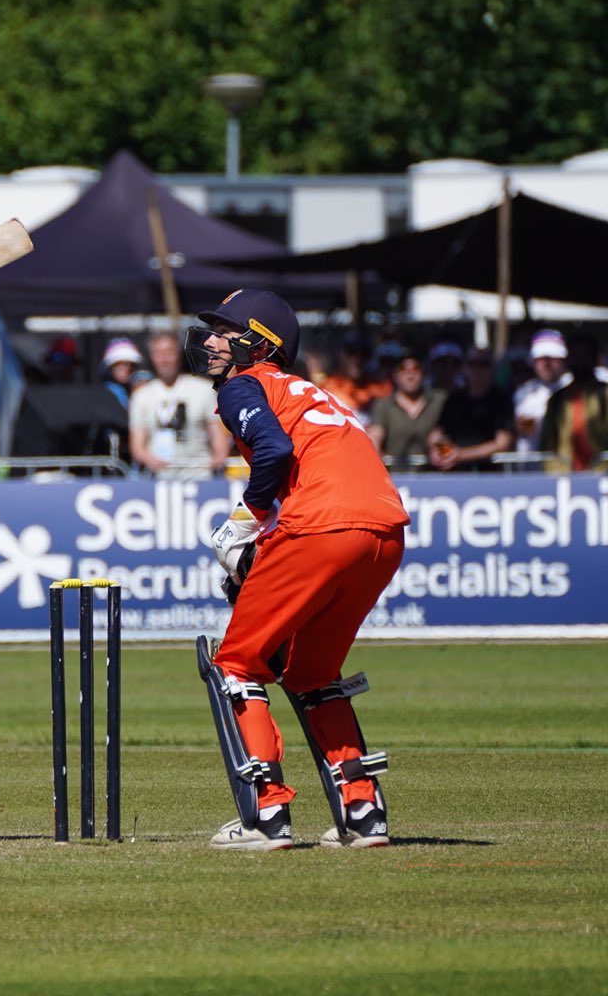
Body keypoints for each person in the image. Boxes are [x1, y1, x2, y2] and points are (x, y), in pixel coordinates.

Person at [183, 288, 405, 851]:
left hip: (323, 525)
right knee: (311, 673)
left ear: (261, 345)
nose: (210, 343)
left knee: (236, 664)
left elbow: (275, 451)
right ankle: (363, 813)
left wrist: (246, 518)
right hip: (385, 532)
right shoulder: (315, 392)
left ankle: (266, 816)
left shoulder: (246, 384)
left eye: (224, 332)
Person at [128, 331, 231, 478]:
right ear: (151, 357)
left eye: (169, 352)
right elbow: (137, 446)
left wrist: (218, 459)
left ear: (179, 354)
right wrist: (150, 460)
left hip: (199, 475)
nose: (164, 359)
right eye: (158, 353)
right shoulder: (141, 395)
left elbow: (218, 434)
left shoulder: (203, 389)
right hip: (158, 478)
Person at [426, 346, 514, 471]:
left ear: (493, 369)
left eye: (483, 364)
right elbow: (437, 433)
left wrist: (462, 455)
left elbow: (503, 443)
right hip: (454, 472)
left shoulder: (502, 400)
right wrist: (439, 449)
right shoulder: (454, 399)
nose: (477, 369)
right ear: (464, 368)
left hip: (488, 473)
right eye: (472, 364)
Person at [538, 331, 608, 473]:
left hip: (602, 475)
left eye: (585, 355)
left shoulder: (604, 394)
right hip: (565, 475)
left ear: (595, 358)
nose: (580, 361)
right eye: (575, 355)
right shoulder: (557, 399)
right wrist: (554, 471)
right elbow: (548, 444)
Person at [366, 352, 445, 471]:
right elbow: (376, 435)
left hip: (432, 473)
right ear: (395, 375)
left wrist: (441, 450)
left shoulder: (439, 401)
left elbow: (443, 436)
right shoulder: (383, 405)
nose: (410, 376)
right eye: (403, 370)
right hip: (395, 473)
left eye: (415, 369)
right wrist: (376, 457)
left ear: (424, 373)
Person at [514, 329, 569, 453]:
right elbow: (526, 432)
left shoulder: (576, 388)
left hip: (569, 463)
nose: (546, 364)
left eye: (552, 358)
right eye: (540, 358)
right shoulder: (524, 393)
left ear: (563, 359)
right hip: (532, 462)